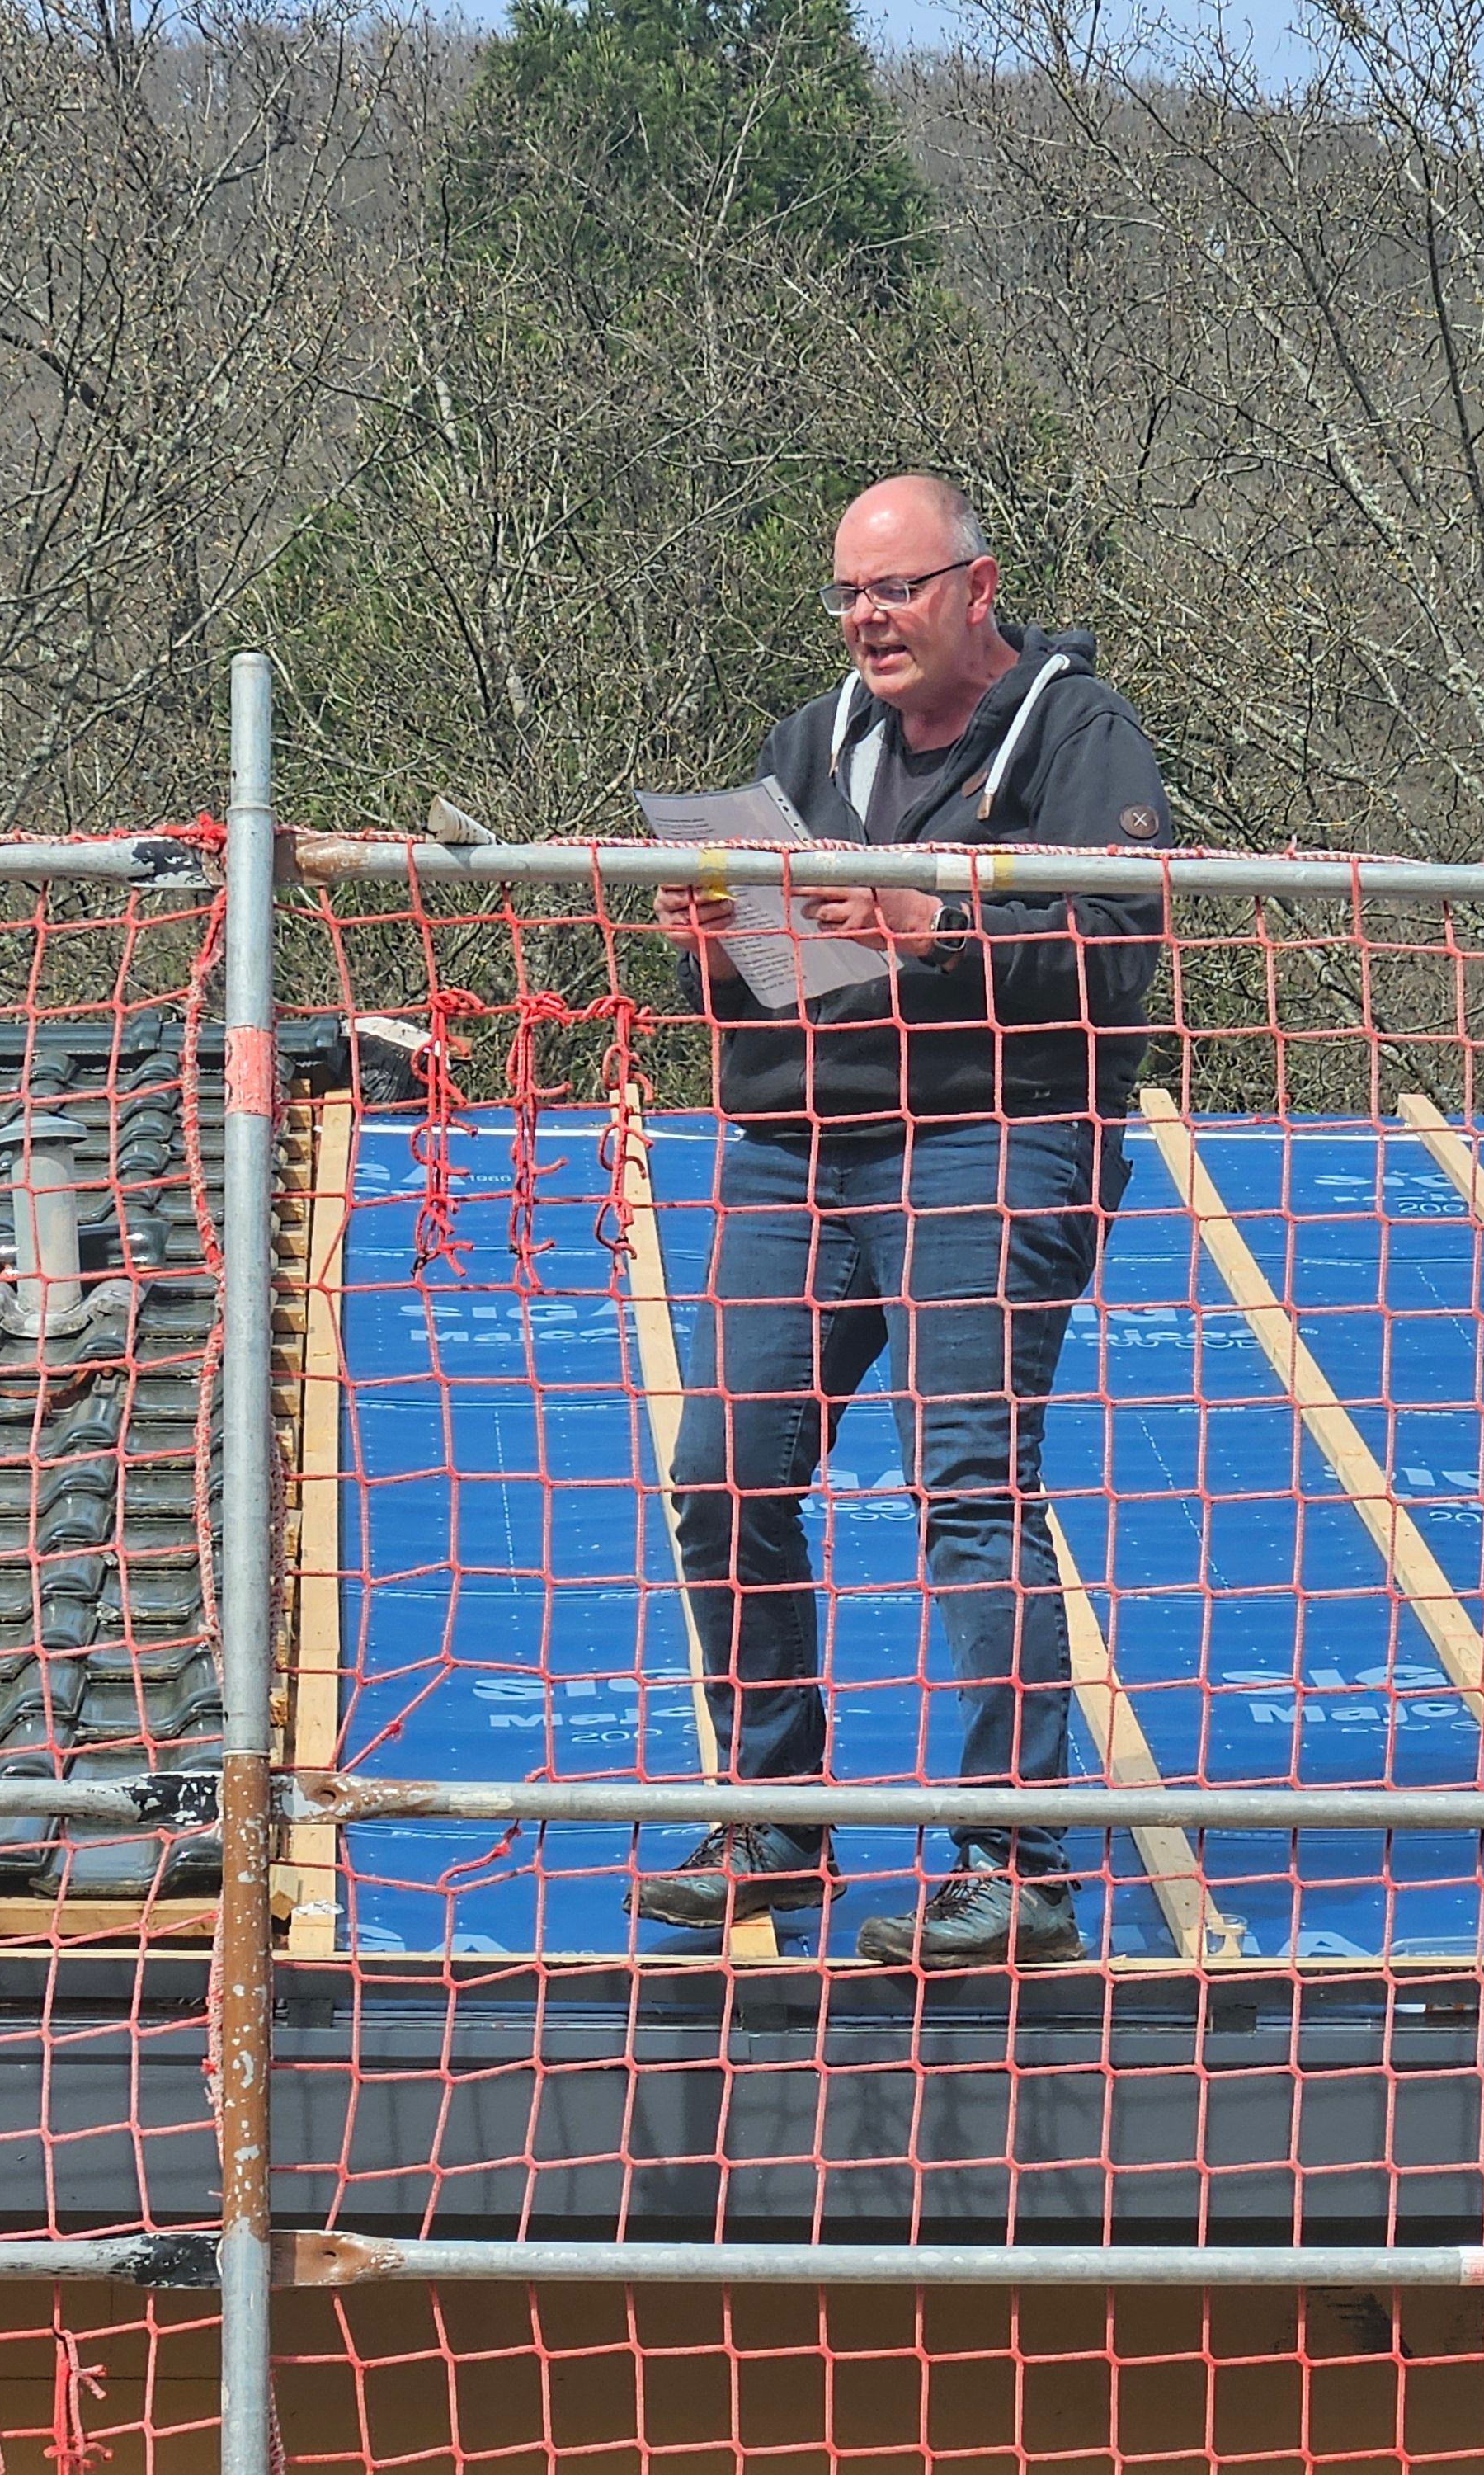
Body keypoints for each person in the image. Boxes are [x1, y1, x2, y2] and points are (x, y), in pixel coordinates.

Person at [630, 474, 1166, 1967]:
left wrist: (941, 930)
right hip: (795, 1151)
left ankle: (1015, 1870)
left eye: (898, 590)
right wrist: (713, 948)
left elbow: (1121, 950)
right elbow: (763, 977)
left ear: (977, 588)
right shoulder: (810, 746)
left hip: (990, 1146)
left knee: (968, 1484)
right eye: (850, 595)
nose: (869, 618)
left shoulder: (1075, 728)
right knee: (722, 1469)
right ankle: (776, 1824)